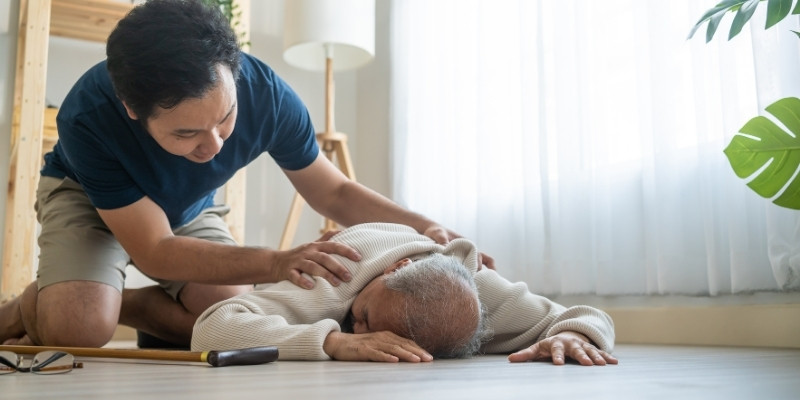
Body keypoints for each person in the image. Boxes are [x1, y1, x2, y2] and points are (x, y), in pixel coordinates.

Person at [0, 0, 493, 348]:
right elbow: (154, 250)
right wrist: (278, 262)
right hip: (87, 197)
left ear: (234, 75)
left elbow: (335, 191)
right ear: (132, 108)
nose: (214, 146)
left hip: (187, 208)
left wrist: (424, 226)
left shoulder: (268, 96)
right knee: (79, 330)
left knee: (233, 317)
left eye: (226, 118)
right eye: (187, 133)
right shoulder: (89, 115)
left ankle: (116, 303)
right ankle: (38, 306)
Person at [192, 223, 618, 366]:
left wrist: (575, 337)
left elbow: (584, 315)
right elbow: (212, 328)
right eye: (367, 319)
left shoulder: (478, 293)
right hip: (290, 288)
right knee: (183, 319)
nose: (364, 331)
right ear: (395, 270)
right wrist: (335, 340)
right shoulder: (339, 274)